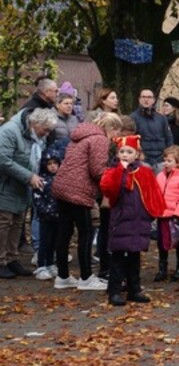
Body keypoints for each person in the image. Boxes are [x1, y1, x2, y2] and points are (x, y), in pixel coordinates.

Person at [51, 112, 122, 290]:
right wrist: (114, 177)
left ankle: (62, 275)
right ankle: (86, 277)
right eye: (117, 131)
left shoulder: (80, 136)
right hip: (78, 190)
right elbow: (97, 170)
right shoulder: (99, 139)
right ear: (111, 128)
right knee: (86, 232)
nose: (117, 136)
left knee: (64, 231)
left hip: (62, 186)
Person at [100, 135, 166, 306]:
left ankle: (134, 289)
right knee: (118, 257)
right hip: (121, 220)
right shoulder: (112, 171)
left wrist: (151, 214)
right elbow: (109, 189)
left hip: (138, 221)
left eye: (129, 152)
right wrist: (120, 171)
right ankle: (114, 291)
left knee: (134, 257)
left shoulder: (144, 172)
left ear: (136, 154)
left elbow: (152, 193)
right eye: (122, 151)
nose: (125, 155)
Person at [0, 108, 57, 279]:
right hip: (5, 184)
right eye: (45, 129)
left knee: (17, 222)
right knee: (4, 222)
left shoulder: (35, 136)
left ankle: (12, 258)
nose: (46, 134)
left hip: (22, 186)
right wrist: (28, 176)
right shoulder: (9, 131)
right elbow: (3, 159)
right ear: (35, 123)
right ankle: (1, 261)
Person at [155, 145, 179, 282]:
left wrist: (178, 214)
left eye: (169, 161)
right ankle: (162, 268)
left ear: (178, 162)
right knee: (162, 242)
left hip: (177, 216)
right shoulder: (160, 176)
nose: (166, 163)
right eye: (165, 160)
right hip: (163, 214)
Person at [31, 149, 62, 280]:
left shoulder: (61, 179)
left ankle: (50, 263)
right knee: (44, 241)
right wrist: (44, 210)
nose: (53, 166)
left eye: (55, 163)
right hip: (45, 217)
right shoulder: (41, 180)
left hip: (58, 217)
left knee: (54, 241)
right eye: (49, 164)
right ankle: (41, 265)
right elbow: (37, 198)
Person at [130, 89, 173, 168]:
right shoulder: (133, 118)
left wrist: (168, 155)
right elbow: (131, 139)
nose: (146, 99)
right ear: (139, 99)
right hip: (143, 160)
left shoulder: (162, 118)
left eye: (149, 97)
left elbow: (168, 138)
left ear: (154, 100)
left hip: (161, 160)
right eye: (143, 97)